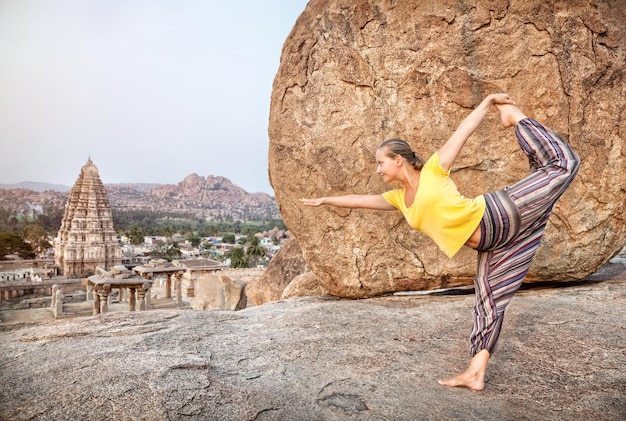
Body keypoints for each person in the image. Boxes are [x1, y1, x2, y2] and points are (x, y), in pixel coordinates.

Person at [300, 93, 580, 391]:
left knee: (562, 165)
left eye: (380, 163)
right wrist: (324, 200)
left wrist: (487, 104)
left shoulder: (434, 169)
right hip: (495, 246)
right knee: (488, 305)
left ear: (398, 160)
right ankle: (475, 373)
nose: (377, 169)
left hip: (498, 215)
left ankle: (516, 117)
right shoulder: (398, 199)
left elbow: (463, 131)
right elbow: (360, 200)